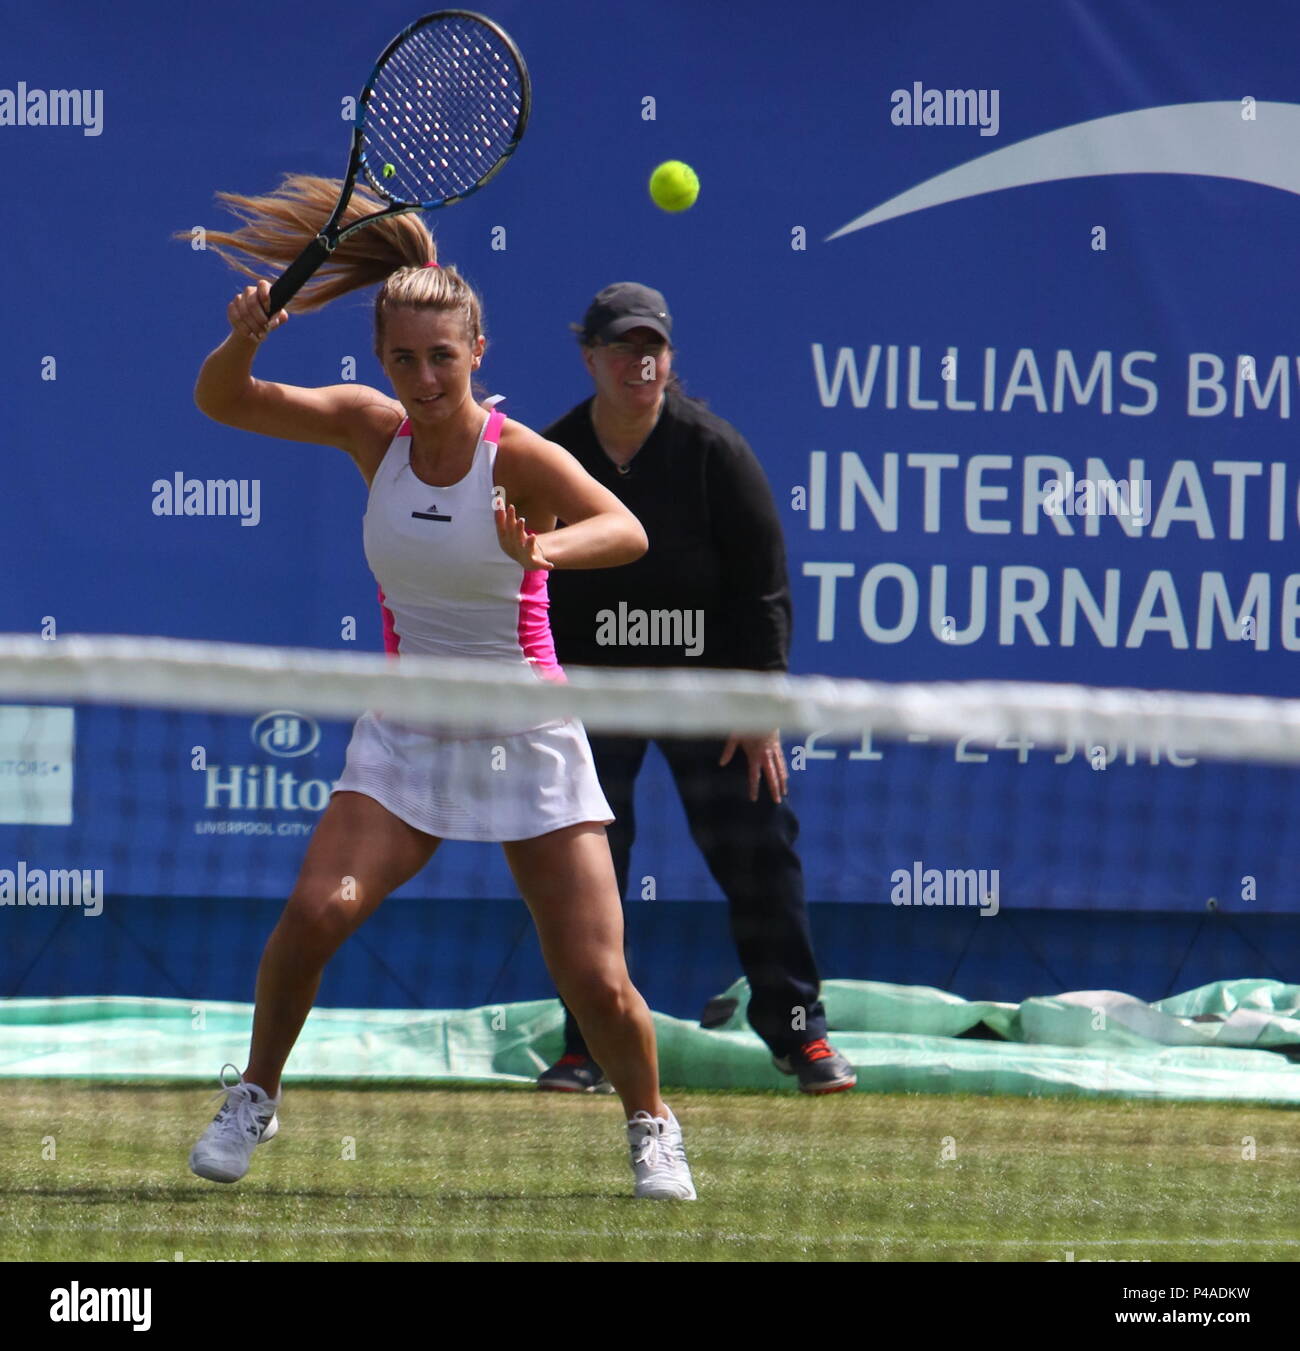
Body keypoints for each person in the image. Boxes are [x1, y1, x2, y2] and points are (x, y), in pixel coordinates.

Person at [183, 178, 695, 1199]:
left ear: (478, 356)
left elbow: (626, 530)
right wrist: (245, 334)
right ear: (383, 361)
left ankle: (651, 1125)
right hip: (409, 726)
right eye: (404, 358)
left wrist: (538, 547)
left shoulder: (520, 457)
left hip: (525, 722)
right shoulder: (372, 432)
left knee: (595, 979)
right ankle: (254, 1096)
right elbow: (224, 400)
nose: (422, 377)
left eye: (442, 357)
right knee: (317, 910)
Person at [538, 282, 856, 1095]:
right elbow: (523, 578)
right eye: (621, 347)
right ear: (591, 359)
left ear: (669, 360)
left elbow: (765, 588)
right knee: (588, 868)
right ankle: (589, 1047)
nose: (638, 362)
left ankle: (799, 1034)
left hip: (708, 692)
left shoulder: (716, 451)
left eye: (653, 348)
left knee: (758, 851)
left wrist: (758, 706)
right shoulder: (552, 454)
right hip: (590, 692)